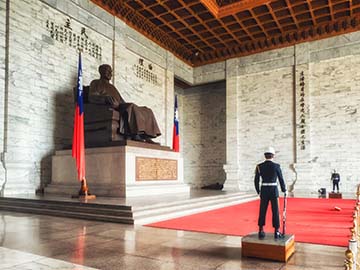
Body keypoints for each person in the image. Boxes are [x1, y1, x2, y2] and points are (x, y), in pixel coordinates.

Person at [88, 64, 161, 143]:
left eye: (111, 71)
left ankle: (146, 136)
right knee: (131, 106)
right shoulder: (95, 83)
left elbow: (121, 100)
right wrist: (105, 99)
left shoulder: (112, 87)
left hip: (120, 105)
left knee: (147, 110)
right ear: (101, 71)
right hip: (110, 106)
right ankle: (135, 134)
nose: (110, 73)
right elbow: (92, 97)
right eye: (108, 71)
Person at [254, 147, 287, 239]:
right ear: (273, 156)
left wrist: (258, 191)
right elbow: (281, 179)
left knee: (262, 210)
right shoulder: (276, 166)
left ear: (265, 156)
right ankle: (276, 231)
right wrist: (284, 189)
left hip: (264, 190)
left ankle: (261, 230)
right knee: (275, 211)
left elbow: (256, 180)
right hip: (273, 190)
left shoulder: (259, 166)